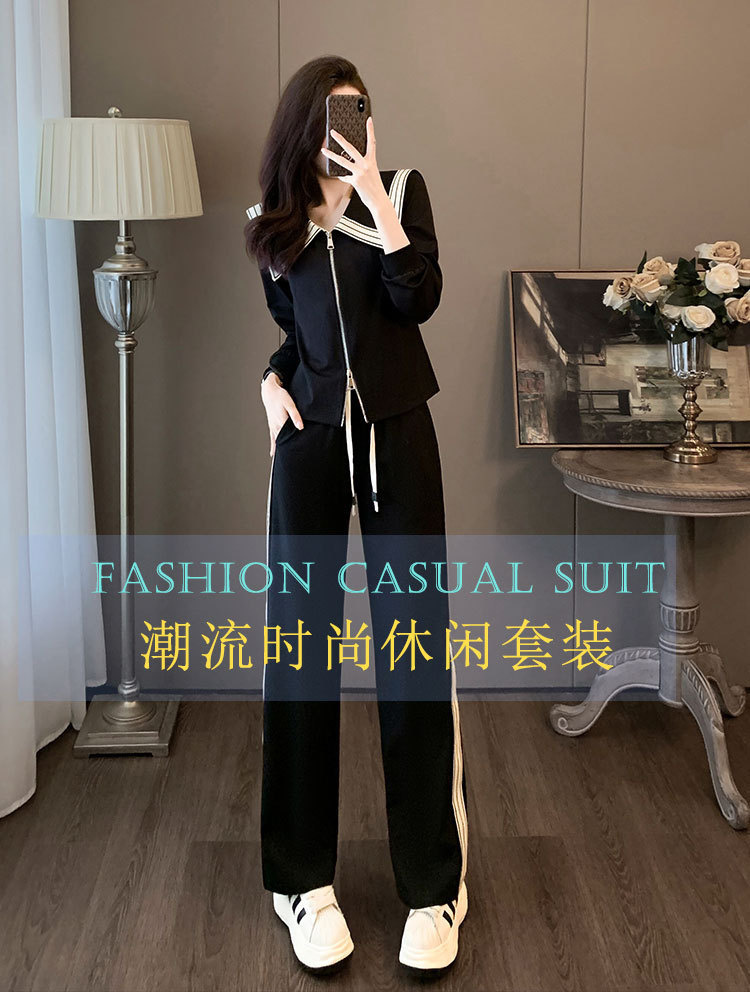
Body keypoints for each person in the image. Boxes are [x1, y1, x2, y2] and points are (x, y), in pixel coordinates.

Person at [244, 55, 468, 974]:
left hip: (398, 437)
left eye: (361, 108)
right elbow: (297, 335)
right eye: (335, 110)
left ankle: (434, 887)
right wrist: (269, 383)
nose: (350, 122)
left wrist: (373, 195)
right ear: (305, 119)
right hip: (309, 447)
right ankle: (301, 881)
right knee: (300, 653)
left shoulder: (402, 192)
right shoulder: (276, 220)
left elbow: (419, 298)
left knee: (414, 649)